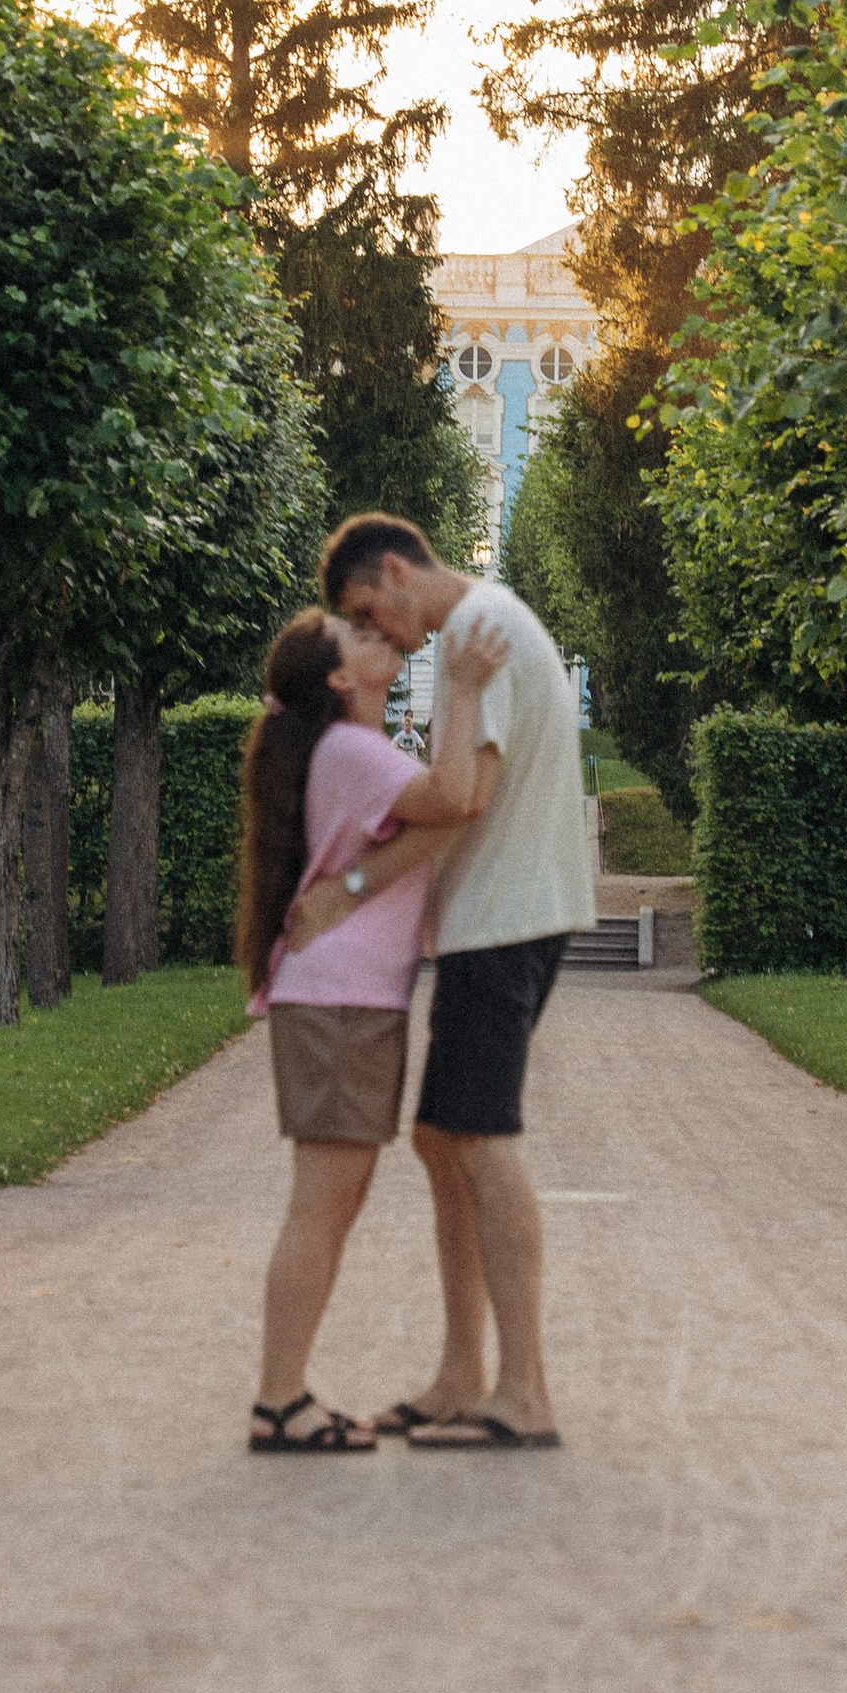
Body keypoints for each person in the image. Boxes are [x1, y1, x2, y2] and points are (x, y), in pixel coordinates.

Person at [301, 511, 591, 1451]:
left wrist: (351, 888)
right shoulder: (480, 629)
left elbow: (463, 798)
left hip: (505, 921)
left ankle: (525, 1392)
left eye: (366, 610)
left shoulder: (477, 632)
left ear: (395, 569)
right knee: (442, 1136)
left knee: (479, 1135)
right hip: (496, 920)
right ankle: (465, 1373)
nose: (375, 633)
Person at [235, 595, 505, 1454]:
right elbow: (455, 795)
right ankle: (279, 1401)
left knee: (329, 1204)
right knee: (320, 1206)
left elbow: (434, 820)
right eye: (353, 635)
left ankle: (286, 1397)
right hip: (341, 1004)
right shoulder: (351, 748)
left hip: (346, 1001)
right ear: (340, 678)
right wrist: (461, 689)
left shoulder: (350, 749)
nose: (376, 632)